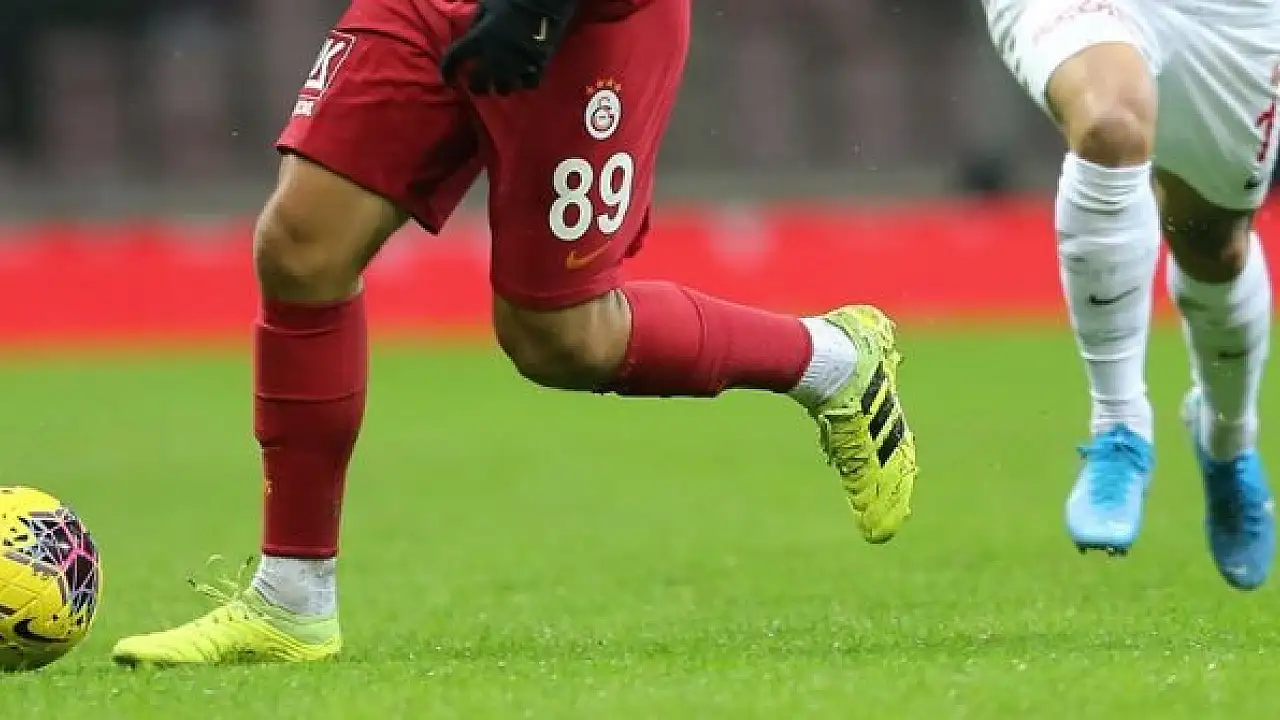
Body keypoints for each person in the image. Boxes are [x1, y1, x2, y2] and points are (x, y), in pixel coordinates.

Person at [109, 0, 919, 665]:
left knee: (558, 335)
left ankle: (832, 360)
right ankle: (292, 599)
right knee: (301, 248)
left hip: (591, 19)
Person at [984, 0, 1277, 587]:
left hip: (1230, 17)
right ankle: (1119, 428)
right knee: (1109, 125)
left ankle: (1226, 439)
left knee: (1213, 244)